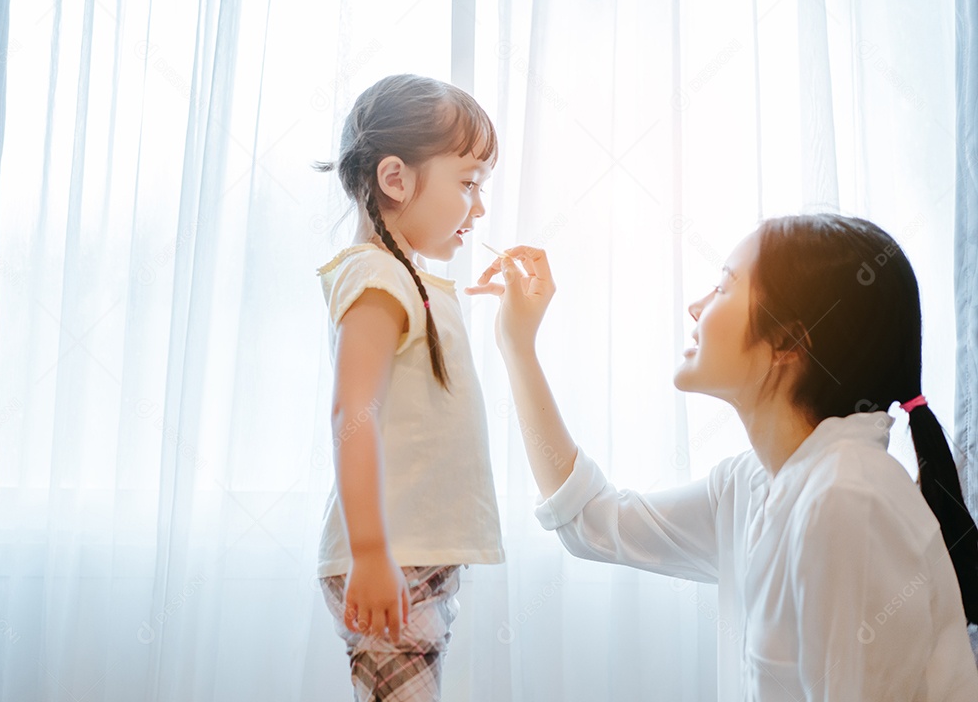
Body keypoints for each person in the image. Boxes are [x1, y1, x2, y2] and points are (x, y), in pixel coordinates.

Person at [465, 214, 978, 700]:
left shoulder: (846, 497)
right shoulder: (755, 484)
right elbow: (588, 522)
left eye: (725, 285)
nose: (696, 306)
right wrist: (518, 346)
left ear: (789, 343)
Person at [314, 74, 505, 701]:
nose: (478, 208)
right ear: (396, 180)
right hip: (393, 554)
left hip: (416, 555)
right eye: (469, 184)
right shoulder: (376, 276)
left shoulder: (408, 280)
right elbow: (353, 412)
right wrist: (371, 551)